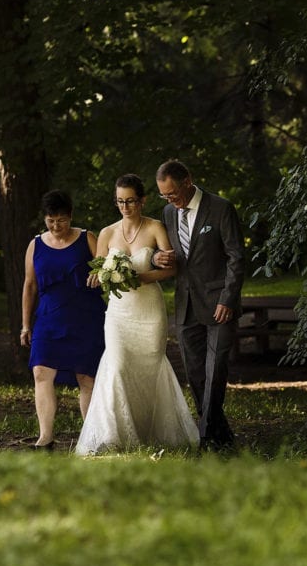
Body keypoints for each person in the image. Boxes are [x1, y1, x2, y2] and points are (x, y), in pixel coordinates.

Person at [76, 174, 200, 456]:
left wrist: (140, 277)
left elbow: (171, 268)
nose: (125, 207)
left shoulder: (155, 227)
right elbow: (97, 269)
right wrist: (99, 277)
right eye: (120, 201)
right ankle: (114, 435)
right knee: (118, 366)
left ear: (142, 200)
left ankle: (154, 432)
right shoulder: (107, 233)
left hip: (148, 311)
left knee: (150, 368)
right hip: (119, 313)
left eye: (130, 201)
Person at [152, 160, 245, 451]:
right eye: (164, 196)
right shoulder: (168, 213)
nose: (170, 200)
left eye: (173, 193)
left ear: (188, 181)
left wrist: (227, 299)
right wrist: (158, 258)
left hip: (219, 304)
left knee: (215, 369)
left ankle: (205, 437)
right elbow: (172, 254)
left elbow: (236, 258)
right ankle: (221, 435)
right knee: (194, 372)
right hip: (186, 304)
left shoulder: (220, 208)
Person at [21, 190, 106, 450]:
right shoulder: (35, 244)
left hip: (86, 317)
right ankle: (45, 436)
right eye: (50, 220)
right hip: (49, 317)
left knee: (87, 377)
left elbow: (106, 271)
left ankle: (91, 437)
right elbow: (30, 285)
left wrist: (100, 275)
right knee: (40, 372)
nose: (56, 226)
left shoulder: (87, 238)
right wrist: (25, 324)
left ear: (70, 216)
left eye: (61, 220)